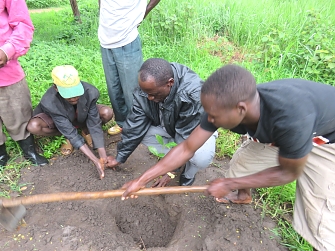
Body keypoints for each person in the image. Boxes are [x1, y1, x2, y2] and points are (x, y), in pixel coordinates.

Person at [120, 64, 335, 251]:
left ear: (241, 109)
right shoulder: (224, 105)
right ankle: (243, 196)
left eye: (213, 117)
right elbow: (187, 147)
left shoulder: (290, 118)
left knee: (320, 220)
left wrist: (230, 183)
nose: (209, 120)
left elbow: (288, 172)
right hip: (280, 137)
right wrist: (141, 180)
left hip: (325, 142)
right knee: (241, 164)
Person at [107, 58, 217, 186]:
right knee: (142, 133)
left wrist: (171, 171)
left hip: (194, 131)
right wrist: (120, 157)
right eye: (146, 93)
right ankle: (170, 159)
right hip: (168, 125)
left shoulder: (192, 95)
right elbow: (134, 126)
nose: (149, 98)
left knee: (201, 157)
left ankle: (188, 172)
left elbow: (186, 141)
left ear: (169, 83)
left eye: (153, 94)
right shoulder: (148, 87)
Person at [27, 65, 115, 179]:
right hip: (61, 122)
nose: (74, 97)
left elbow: (94, 122)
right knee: (34, 126)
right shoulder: (49, 101)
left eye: (76, 92)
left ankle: (85, 130)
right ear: (56, 87)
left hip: (80, 117)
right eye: (68, 94)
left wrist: (103, 156)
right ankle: (67, 137)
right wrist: (95, 160)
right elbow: (69, 130)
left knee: (106, 112)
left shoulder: (90, 92)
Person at [98, 0, 160, 136]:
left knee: (133, 89)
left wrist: (144, 12)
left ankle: (140, 125)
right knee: (114, 88)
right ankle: (122, 123)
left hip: (127, 38)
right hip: (105, 40)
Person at [0, 0, 48, 167]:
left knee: (17, 109)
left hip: (5, 65)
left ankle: (29, 151)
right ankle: (1, 155)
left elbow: (22, 24)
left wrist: (7, 50)